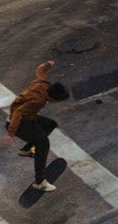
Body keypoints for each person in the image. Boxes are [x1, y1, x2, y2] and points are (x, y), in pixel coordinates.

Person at [5, 60, 70, 191]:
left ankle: (26, 150)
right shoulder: (38, 101)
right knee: (43, 144)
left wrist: (48, 65)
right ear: (52, 98)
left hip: (28, 118)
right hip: (18, 123)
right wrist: (11, 133)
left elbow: (40, 70)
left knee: (49, 124)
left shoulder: (43, 83)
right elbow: (18, 112)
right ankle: (39, 182)